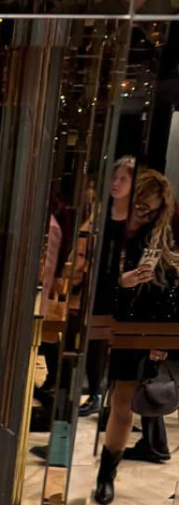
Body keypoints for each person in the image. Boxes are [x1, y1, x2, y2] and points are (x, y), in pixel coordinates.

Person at [94, 169, 179, 504]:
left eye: (152, 211)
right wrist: (120, 282)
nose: (144, 216)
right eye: (140, 207)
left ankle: (107, 474)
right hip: (96, 327)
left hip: (133, 330)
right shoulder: (105, 231)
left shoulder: (155, 240)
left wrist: (160, 340)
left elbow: (167, 291)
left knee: (123, 405)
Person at [79, 155, 136, 416]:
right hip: (99, 282)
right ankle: (95, 393)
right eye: (115, 177)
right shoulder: (102, 212)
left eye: (123, 179)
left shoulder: (136, 216)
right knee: (95, 339)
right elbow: (83, 241)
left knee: (121, 343)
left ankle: (115, 401)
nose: (116, 183)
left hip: (127, 285)